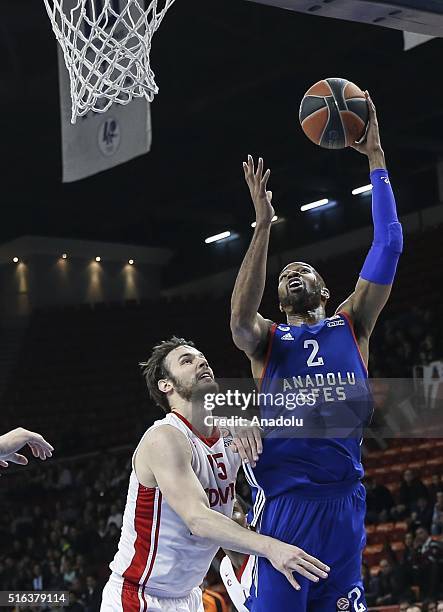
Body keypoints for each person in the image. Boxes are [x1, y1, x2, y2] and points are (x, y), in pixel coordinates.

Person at [230, 92, 403, 611]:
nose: (293, 271)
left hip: (345, 509)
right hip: (287, 512)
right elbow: (239, 320)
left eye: (303, 270)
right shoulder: (267, 345)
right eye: (285, 273)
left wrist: (375, 157)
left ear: (326, 291)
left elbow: (389, 242)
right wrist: (262, 228)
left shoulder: (354, 323)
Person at [100, 337, 329, 612]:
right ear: (166, 385)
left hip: (189, 596)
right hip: (139, 597)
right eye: (187, 361)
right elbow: (199, 519)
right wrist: (272, 547)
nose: (201, 362)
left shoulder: (232, 431)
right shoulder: (164, 437)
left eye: (202, 358)